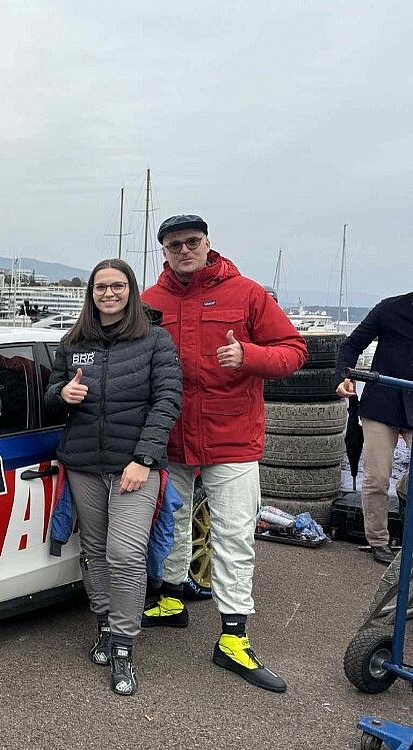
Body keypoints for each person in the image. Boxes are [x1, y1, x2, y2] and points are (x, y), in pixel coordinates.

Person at [140, 214, 306, 693]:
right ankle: (171, 599)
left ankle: (233, 636)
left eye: (192, 241)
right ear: (164, 251)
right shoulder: (151, 301)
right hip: (172, 436)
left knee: (233, 535)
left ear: (207, 243)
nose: (184, 250)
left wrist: (249, 355)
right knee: (170, 522)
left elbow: (294, 350)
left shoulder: (247, 293)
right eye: (174, 244)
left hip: (230, 436)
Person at [45, 258, 182, 696]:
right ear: (91, 293)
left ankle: (123, 643)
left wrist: (143, 459)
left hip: (134, 469)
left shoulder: (155, 340)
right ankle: (104, 624)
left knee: (125, 554)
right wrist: (62, 393)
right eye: (101, 287)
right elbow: (50, 394)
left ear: (131, 290)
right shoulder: (73, 342)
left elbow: (167, 401)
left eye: (117, 286)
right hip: (84, 465)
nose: (109, 293)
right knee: (95, 552)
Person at [334, 292, 413, 564]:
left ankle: (405, 489)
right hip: (382, 403)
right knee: (377, 477)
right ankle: (378, 540)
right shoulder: (389, 309)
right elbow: (352, 345)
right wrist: (344, 377)